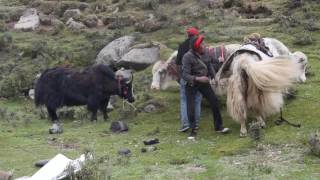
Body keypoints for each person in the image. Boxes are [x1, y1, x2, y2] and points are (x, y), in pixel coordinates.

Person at [182, 35, 230, 138]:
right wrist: (198, 78)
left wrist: (215, 76)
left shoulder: (206, 53)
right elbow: (185, 75)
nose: (204, 45)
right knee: (191, 109)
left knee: (215, 102)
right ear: (197, 47)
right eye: (202, 44)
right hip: (191, 85)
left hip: (204, 84)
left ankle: (219, 127)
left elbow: (209, 64)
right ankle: (193, 131)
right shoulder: (187, 57)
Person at [176, 27, 202, 132]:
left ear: (188, 35)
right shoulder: (199, 46)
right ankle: (195, 124)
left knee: (184, 100)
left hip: (185, 77)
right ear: (196, 35)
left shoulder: (182, 46)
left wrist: (180, 76)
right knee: (197, 100)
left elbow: (177, 64)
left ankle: (185, 124)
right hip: (198, 77)